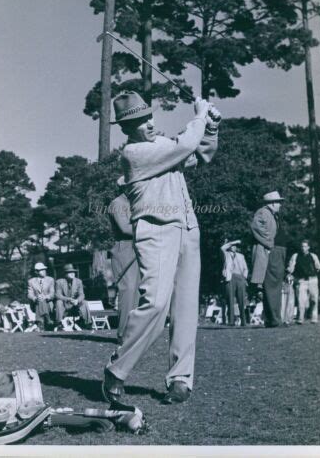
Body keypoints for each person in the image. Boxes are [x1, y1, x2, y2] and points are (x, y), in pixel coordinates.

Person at [102, 90, 220, 405]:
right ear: (127, 130)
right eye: (139, 122)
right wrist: (199, 114)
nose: (148, 124)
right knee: (155, 304)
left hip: (187, 229)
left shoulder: (163, 147)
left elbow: (202, 153)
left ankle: (180, 380)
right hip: (155, 230)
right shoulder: (134, 153)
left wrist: (210, 126)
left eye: (149, 116)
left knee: (184, 309)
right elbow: (186, 144)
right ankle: (116, 370)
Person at [108, 177, 141, 345]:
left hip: (137, 248)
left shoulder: (135, 203)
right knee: (127, 291)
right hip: (123, 248)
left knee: (136, 292)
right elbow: (124, 228)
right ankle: (122, 334)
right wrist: (146, 228)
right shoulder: (117, 203)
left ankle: (132, 333)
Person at [250, 191, 287, 328]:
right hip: (272, 252)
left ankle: (273, 320)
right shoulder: (263, 212)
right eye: (278, 202)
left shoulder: (271, 214)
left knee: (273, 286)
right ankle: (275, 320)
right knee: (272, 286)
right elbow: (256, 227)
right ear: (272, 203)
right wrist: (270, 244)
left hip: (275, 251)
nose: (280, 205)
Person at [287, 240, 320, 324]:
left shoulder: (313, 256)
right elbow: (291, 267)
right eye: (302, 246)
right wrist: (290, 272)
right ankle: (300, 318)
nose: (303, 248)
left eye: (305, 246)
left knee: (314, 300)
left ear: (308, 247)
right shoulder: (296, 256)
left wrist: (312, 273)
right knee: (301, 300)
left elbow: (318, 267)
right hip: (301, 280)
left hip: (312, 279)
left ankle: (314, 318)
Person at [221, 239, 248, 326]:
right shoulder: (226, 254)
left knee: (242, 300)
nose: (234, 247)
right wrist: (234, 242)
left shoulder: (241, 256)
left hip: (240, 277)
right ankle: (231, 321)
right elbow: (222, 248)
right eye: (232, 246)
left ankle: (243, 322)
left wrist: (244, 278)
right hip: (230, 277)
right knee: (230, 300)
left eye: (236, 246)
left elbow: (245, 268)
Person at [55, 264, 91, 329]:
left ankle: (88, 323)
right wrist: (68, 299)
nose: (73, 274)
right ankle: (59, 323)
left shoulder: (78, 281)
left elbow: (82, 294)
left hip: (75, 305)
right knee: (58, 302)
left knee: (84, 302)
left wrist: (77, 300)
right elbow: (58, 295)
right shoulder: (59, 282)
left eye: (73, 272)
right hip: (64, 304)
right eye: (70, 272)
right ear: (65, 274)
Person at [27, 262, 55, 331]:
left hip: (48, 303)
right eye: (41, 270)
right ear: (36, 272)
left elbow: (52, 293)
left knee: (42, 299)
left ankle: (39, 323)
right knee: (40, 300)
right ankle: (48, 319)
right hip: (36, 304)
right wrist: (35, 298)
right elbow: (29, 294)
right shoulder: (31, 281)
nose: (44, 271)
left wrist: (46, 297)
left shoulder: (50, 280)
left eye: (44, 269)